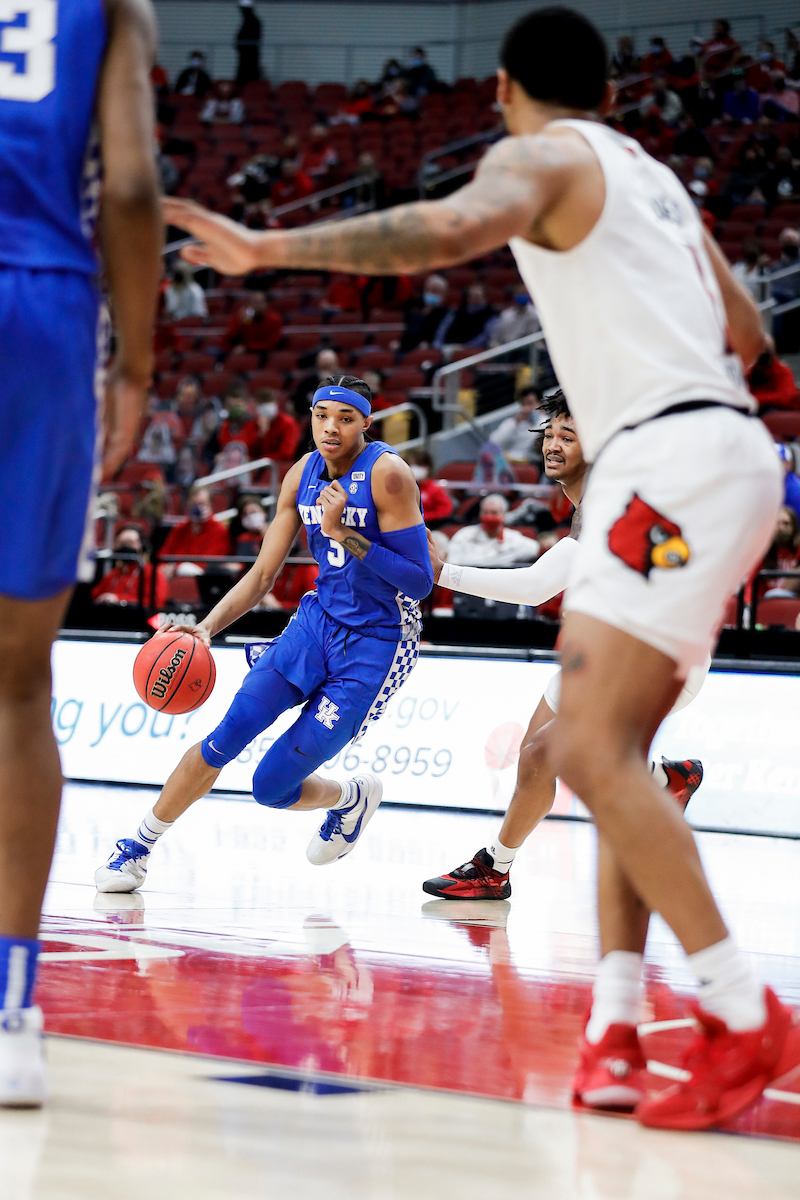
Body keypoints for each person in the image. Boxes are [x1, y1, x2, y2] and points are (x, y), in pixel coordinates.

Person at [163, 5, 795, 1132]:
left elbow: (445, 229)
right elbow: (748, 338)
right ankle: (608, 1029)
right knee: (580, 748)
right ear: (608, 89)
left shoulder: (540, 153)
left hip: (666, 470)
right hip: (722, 462)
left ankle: (745, 1013)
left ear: (503, 89)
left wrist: (266, 250)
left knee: (590, 750)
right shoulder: (650, 175)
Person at [0, 0, 161, 1106]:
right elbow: (136, 188)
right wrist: (137, 365)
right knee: (16, 684)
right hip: (41, 303)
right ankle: (12, 1008)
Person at [95, 375, 433, 890]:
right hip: (315, 625)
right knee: (225, 737)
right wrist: (206, 628)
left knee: (270, 786)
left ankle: (350, 797)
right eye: (322, 416)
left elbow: (419, 580)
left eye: (345, 418)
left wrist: (345, 535)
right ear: (311, 417)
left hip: (379, 643)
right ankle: (138, 848)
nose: (331, 427)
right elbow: (261, 577)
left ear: (367, 423)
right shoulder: (302, 476)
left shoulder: (389, 475)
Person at [423, 390, 707, 898]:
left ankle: (494, 868)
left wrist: (445, 573)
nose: (552, 445)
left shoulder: (608, 494)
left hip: (659, 657)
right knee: (534, 759)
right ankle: (668, 779)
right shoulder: (586, 498)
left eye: (567, 436)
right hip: (607, 652)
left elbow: (536, 588)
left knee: (538, 754)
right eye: (549, 435)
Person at [446, 495, 539, 568]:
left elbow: (535, 549)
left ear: (504, 515)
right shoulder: (464, 535)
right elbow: (451, 562)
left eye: (494, 513)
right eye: (485, 512)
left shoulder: (514, 539)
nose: (489, 517)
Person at [158, 485, 231, 575]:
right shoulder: (180, 528)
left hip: (202, 580)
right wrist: (165, 567)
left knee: (184, 569)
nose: (197, 508)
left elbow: (209, 564)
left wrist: (176, 567)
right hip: (174, 577)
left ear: (211, 505)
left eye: (202, 504)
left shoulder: (219, 531)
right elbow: (163, 556)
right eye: (194, 504)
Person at [92, 524, 168, 609]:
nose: (125, 547)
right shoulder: (112, 574)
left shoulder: (153, 574)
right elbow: (94, 597)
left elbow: (157, 603)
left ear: (142, 546)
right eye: (122, 543)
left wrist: (119, 599)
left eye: (130, 543)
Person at [400, 274, 452, 351]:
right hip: (408, 349)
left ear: (444, 295)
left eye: (437, 291)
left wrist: (429, 344)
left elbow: (442, 337)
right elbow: (407, 335)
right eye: (430, 290)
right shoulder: (414, 312)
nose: (433, 294)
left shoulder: (447, 314)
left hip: (432, 351)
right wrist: (399, 343)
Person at [403, 448, 453, 527]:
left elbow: (445, 511)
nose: (414, 468)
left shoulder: (435, 489)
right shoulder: (403, 489)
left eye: (418, 465)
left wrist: (421, 517)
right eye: (411, 465)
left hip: (431, 526)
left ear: (428, 467)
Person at [747, 338, 799, 411]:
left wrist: (754, 399)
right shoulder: (747, 370)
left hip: (778, 412)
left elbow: (785, 397)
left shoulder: (783, 371)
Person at [492, 386, 542, 461]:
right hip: (507, 461)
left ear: (541, 404)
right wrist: (515, 422)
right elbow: (493, 443)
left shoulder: (547, 424)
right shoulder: (512, 422)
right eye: (524, 404)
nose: (527, 408)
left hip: (530, 463)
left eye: (530, 404)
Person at [226, 291, 282, 355]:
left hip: (267, 353)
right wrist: (240, 323)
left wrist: (248, 347)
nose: (258, 305)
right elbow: (230, 337)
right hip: (247, 351)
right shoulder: (244, 317)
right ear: (249, 305)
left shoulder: (274, 319)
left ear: (266, 304)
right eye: (255, 302)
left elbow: (273, 342)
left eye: (261, 302)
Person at [253, 389, 301, 459]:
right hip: (260, 465)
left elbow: (287, 453)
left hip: (282, 465)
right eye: (262, 405)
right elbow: (251, 452)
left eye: (268, 403)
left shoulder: (288, 423)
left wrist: (261, 460)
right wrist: (261, 434)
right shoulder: (255, 423)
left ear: (276, 403)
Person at [235, 0, 262, 87]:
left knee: (248, 78)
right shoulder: (247, 21)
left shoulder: (253, 21)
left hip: (249, 57)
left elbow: (254, 38)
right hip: (244, 56)